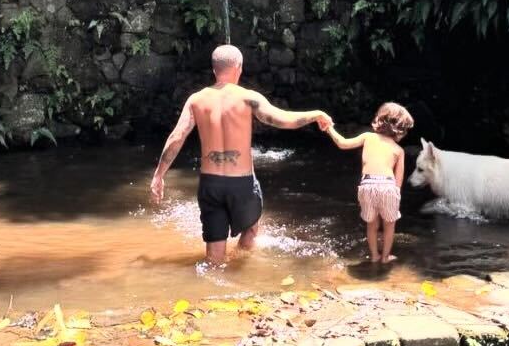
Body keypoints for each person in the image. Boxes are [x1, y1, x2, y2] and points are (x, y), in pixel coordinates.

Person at [150, 44, 331, 263]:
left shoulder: (196, 100)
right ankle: (240, 269)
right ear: (239, 67)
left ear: (214, 69)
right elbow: (281, 119)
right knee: (252, 229)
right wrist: (316, 114)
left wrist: (159, 175)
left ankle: (213, 285)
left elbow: (176, 137)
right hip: (241, 183)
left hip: (210, 184)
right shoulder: (249, 98)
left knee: (214, 257)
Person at [321, 102, 414, 263]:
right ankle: (385, 257)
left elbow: (342, 143)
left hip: (367, 184)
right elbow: (398, 180)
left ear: (379, 120)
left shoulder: (368, 137)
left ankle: (374, 256)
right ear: (401, 130)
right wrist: (396, 197)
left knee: (371, 224)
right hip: (388, 186)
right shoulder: (399, 150)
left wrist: (328, 128)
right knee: (389, 224)